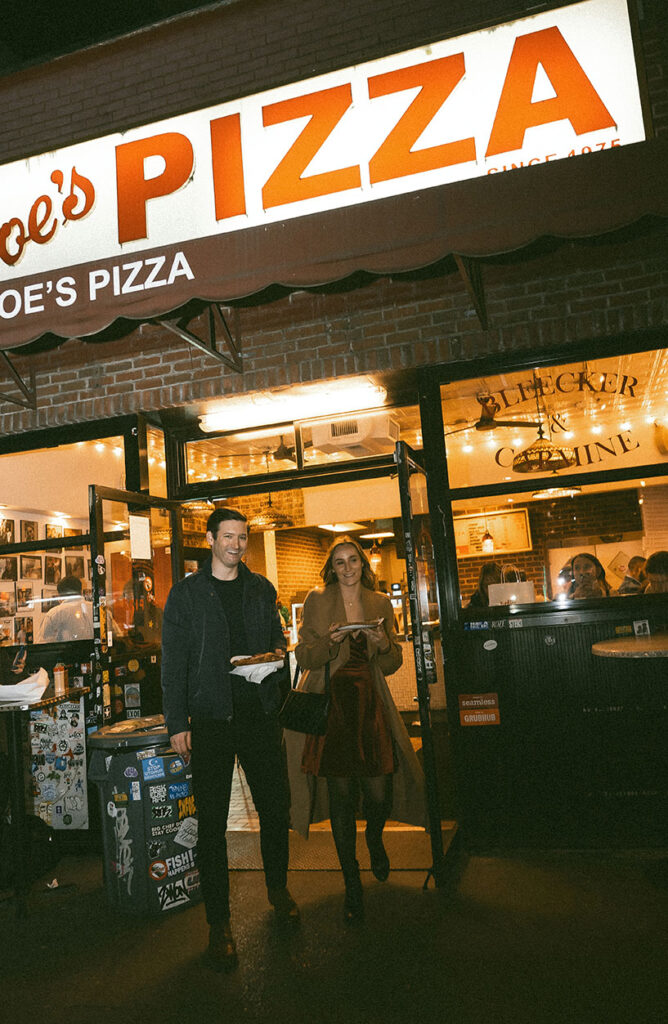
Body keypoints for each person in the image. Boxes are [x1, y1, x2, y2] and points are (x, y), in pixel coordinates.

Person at [161, 507, 297, 973]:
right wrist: (177, 722)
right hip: (211, 719)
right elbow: (173, 662)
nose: (237, 545)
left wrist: (277, 658)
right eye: (228, 537)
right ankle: (219, 924)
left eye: (243, 537)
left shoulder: (261, 588)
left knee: (276, 808)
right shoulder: (187, 594)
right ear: (210, 539)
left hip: (258, 714)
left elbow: (278, 640)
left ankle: (278, 891)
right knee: (212, 824)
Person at [288, 536, 426, 924]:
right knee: (342, 798)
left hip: (369, 705)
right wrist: (329, 644)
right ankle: (352, 883)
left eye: (353, 561)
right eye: (339, 562)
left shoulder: (380, 602)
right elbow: (304, 655)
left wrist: (382, 642)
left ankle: (375, 837)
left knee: (378, 791)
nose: (347, 568)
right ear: (331, 568)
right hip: (332, 705)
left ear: (363, 565)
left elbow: (393, 661)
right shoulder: (317, 600)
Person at [37, 575, 94, 642]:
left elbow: (42, 645)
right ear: (81, 591)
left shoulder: (54, 614)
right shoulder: (99, 610)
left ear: (59, 595)